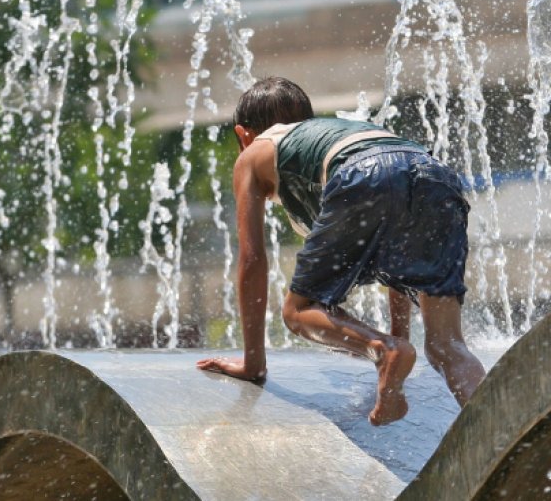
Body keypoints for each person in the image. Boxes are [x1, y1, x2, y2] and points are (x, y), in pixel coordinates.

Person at [196, 77, 486, 425]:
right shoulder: (335, 135)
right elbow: (396, 259)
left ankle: (381, 350)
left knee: (298, 311)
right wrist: (400, 336)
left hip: (364, 175)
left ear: (243, 135)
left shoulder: (256, 152)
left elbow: (252, 259)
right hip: (436, 178)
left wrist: (253, 364)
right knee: (447, 347)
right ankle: (504, 437)